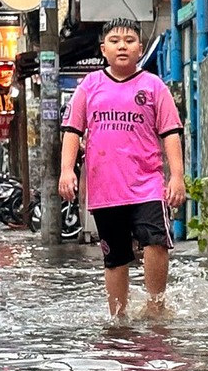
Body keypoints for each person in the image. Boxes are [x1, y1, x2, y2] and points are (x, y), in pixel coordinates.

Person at [60, 20, 187, 315]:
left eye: (130, 40)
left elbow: (170, 133)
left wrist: (177, 177)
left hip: (147, 184)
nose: (122, 45)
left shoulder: (154, 86)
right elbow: (72, 131)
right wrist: (68, 171)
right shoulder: (89, 86)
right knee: (115, 257)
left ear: (140, 49)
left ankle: (156, 305)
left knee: (156, 242)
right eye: (115, 41)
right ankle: (118, 317)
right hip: (106, 187)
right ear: (104, 49)